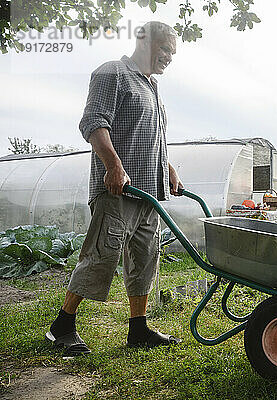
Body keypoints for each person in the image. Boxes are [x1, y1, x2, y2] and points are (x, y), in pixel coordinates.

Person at [45, 21, 183, 355]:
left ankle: (139, 329)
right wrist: (113, 165)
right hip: (119, 191)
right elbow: (93, 122)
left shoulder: (152, 87)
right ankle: (62, 325)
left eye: (172, 53)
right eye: (164, 48)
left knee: (145, 261)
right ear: (143, 40)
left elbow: (151, 137)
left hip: (150, 194)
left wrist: (168, 168)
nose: (168, 57)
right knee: (100, 256)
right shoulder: (113, 73)